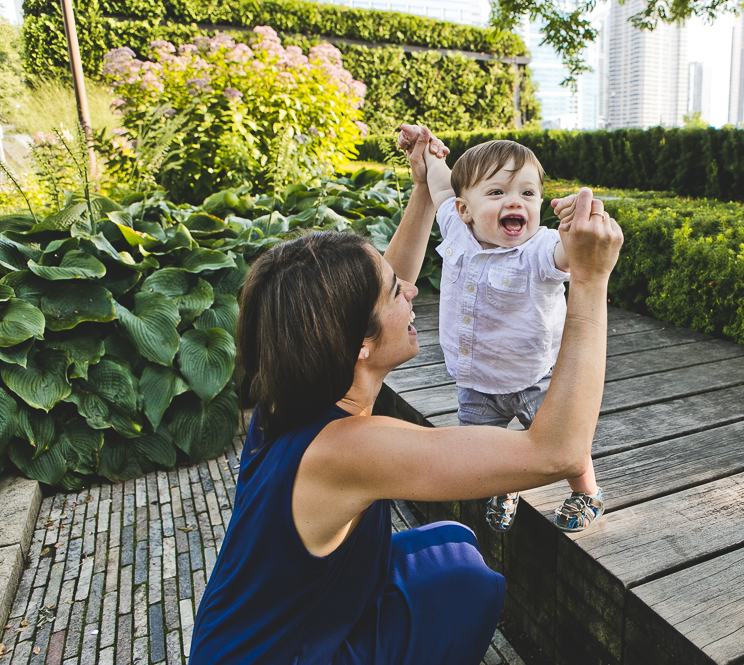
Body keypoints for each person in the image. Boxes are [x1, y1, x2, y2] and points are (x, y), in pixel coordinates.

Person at [187, 125, 623, 664]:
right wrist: (590, 279)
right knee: (464, 586)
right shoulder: (350, 450)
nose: (412, 288)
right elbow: (557, 452)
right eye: (396, 292)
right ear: (362, 345)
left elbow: (374, 291)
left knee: (457, 552)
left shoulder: (292, 391)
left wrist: (422, 189)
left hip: (238, 636)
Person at [421, 138, 604, 533]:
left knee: (568, 442)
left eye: (527, 192)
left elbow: (567, 253)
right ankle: (505, 485)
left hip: (535, 378)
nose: (515, 202)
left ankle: (587, 491)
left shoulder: (539, 250)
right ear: (464, 209)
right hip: (475, 380)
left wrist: (577, 226)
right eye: (497, 192)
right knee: (482, 449)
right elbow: (440, 187)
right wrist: (430, 155)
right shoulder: (455, 228)